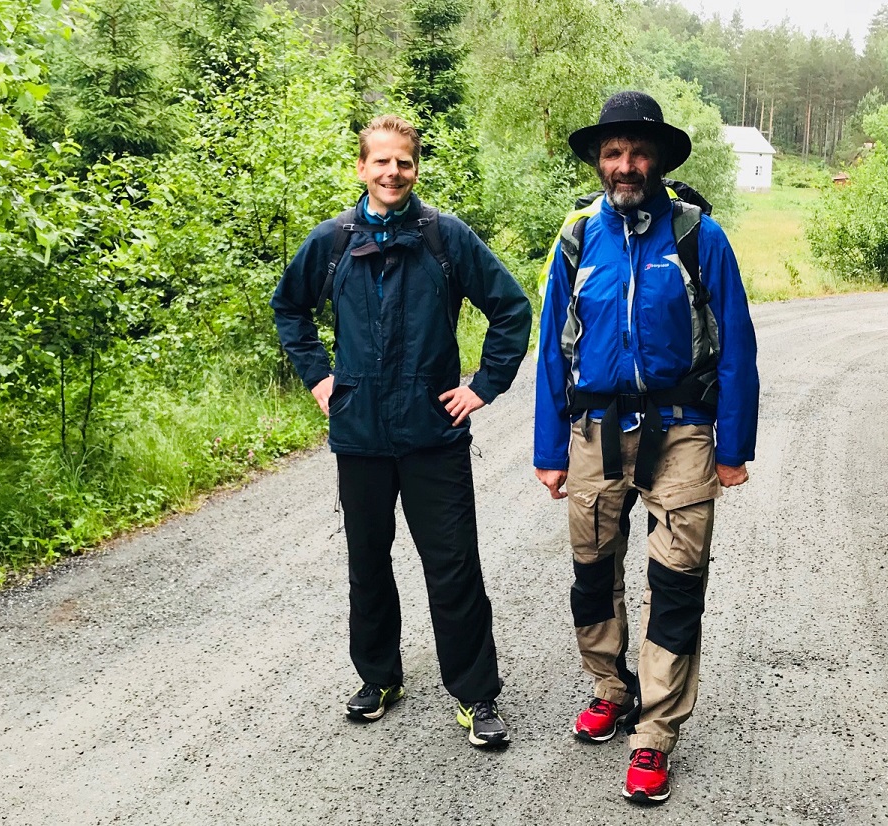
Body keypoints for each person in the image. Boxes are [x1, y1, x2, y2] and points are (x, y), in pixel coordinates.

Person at [272, 114, 531, 748]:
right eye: (381, 162)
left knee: (453, 566)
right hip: (359, 433)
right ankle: (379, 677)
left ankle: (475, 694)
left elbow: (511, 309)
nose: (393, 172)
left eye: (404, 162)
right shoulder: (333, 240)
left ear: (415, 168)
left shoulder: (445, 237)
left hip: (433, 434)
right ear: (362, 168)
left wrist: (482, 386)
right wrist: (318, 377)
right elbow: (290, 308)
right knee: (367, 562)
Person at [533, 91, 760, 802]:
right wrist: (549, 448)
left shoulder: (698, 236)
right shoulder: (577, 238)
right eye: (613, 152)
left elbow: (737, 346)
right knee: (592, 569)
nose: (625, 164)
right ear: (598, 162)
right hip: (594, 430)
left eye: (637, 152)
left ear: (658, 159)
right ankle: (610, 686)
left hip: (682, 427)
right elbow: (552, 348)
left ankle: (656, 732)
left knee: (676, 582)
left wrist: (733, 444)